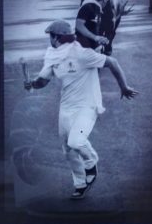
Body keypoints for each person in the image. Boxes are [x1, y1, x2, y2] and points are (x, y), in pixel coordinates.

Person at [24, 20, 138, 200]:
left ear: (57, 38)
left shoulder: (82, 54)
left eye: (50, 36)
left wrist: (123, 87)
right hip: (66, 108)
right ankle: (80, 183)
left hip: (87, 106)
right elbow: (43, 81)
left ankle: (91, 163)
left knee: (76, 142)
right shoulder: (53, 56)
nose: (49, 40)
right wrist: (32, 84)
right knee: (68, 151)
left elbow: (113, 62)